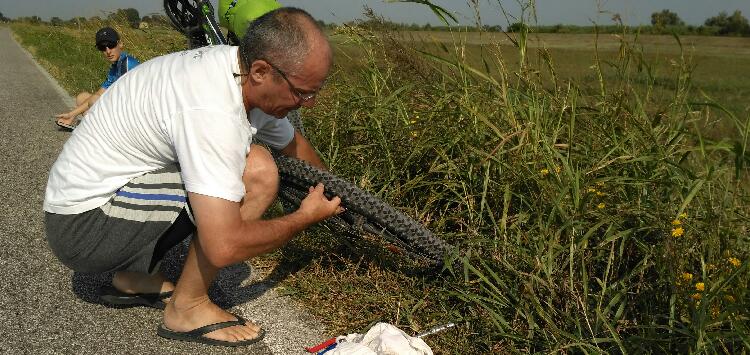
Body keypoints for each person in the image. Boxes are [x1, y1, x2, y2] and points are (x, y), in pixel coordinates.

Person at [43, 8, 340, 347]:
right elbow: (225, 244)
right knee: (256, 173)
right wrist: (304, 217)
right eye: (302, 93)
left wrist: (339, 196)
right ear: (261, 71)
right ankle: (187, 308)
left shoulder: (238, 71)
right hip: (81, 227)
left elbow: (293, 144)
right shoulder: (212, 109)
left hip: (101, 201)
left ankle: (133, 278)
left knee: (242, 169)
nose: (309, 104)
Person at [54, 26, 139, 130]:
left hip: (133, 113)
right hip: (121, 108)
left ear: (120, 44)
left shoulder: (127, 64)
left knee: (93, 101)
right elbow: (100, 93)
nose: (108, 51)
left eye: (111, 45)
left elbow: (129, 99)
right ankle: (94, 124)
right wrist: (72, 114)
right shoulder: (115, 66)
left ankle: (100, 129)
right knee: (83, 97)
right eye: (102, 48)